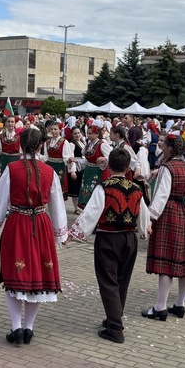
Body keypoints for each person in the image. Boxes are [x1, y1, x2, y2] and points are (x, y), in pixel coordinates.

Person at [0, 127, 67, 345]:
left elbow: (0, 200)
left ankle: (16, 327)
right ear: (40, 146)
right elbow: (57, 206)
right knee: (37, 274)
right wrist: (61, 234)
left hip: (17, 223)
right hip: (41, 224)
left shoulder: (12, 169)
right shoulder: (50, 172)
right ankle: (28, 327)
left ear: (20, 145)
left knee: (14, 274)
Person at [67, 147, 148, 344]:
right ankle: (114, 317)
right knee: (122, 280)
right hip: (129, 238)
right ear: (128, 167)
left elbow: (91, 213)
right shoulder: (136, 188)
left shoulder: (104, 187)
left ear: (109, 165)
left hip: (109, 237)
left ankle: (115, 328)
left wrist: (75, 233)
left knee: (108, 281)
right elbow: (143, 212)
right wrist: (144, 230)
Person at [142, 134, 185, 321]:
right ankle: (180, 304)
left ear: (170, 148)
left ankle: (160, 307)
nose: (161, 147)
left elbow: (161, 196)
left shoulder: (167, 168)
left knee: (166, 262)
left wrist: (149, 218)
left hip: (169, 213)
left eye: (163, 145)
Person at [75, 120, 109, 217]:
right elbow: (86, 160)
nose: (88, 135)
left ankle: (95, 216)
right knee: (86, 193)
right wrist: (76, 160)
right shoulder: (88, 145)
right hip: (88, 171)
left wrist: (103, 159)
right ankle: (87, 214)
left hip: (98, 172)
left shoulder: (102, 144)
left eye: (90, 134)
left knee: (94, 194)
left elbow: (110, 157)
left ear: (97, 134)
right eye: (87, 133)